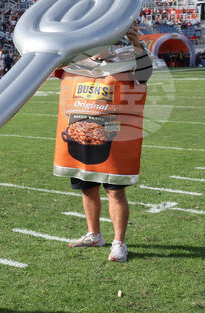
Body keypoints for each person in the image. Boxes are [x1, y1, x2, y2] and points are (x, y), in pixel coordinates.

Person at [56, 27, 152, 263]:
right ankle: (94, 234)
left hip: (111, 136)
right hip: (78, 133)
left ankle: (119, 242)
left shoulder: (126, 59)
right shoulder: (75, 62)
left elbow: (145, 74)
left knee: (115, 190)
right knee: (87, 187)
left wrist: (137, 44)